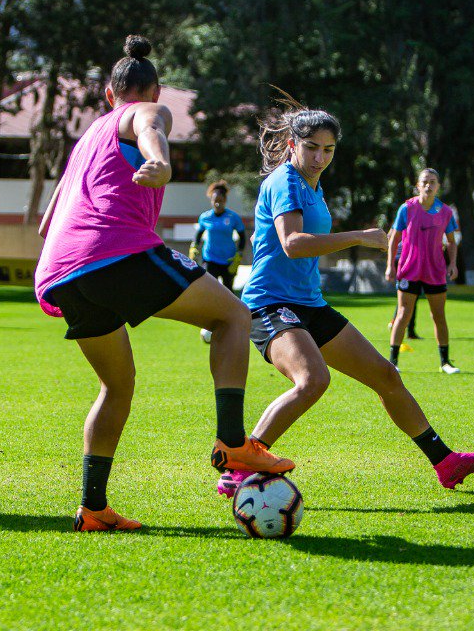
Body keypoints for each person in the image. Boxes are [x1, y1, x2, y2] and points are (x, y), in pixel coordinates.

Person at [34, 35, 294, 532]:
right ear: (154, 91)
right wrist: (160, 160)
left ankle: (93, 508)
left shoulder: (86, 139)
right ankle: (233, 442)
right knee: (233, 316)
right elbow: (150, 126)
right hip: (115, 251)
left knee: (116, 386)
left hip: (60, 272)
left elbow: (48, 223)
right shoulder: (146, 112)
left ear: (109, 94)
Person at [217, 100, 474, 497]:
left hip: (309, 303)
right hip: (269, 303)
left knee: (387, 376)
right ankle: (243, 459)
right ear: (292, 143)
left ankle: (446, 462)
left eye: (329, 150)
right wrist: (358, 236)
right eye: (312, 147)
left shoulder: (313, 185)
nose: (320, 157)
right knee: (313, 379)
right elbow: (293, 244)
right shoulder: (284, 181)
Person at [385, 169, 460, 374]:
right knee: (403, 314)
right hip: (409, 269)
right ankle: (393, 362)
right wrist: (390, 265)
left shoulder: (445, 212)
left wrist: (452, 264)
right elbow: (394, 239)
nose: (428, 185)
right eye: (425, 182)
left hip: (435, 271)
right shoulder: (406, 209)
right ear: (418, 186)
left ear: (438, 186)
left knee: (439, 316)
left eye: (432, 182)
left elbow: (452, 242)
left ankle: (445, 362)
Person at [190, 179, 247, 293]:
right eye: (215, 200)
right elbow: (199, 234)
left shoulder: (233, 217)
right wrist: (194, 247)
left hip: (228, 259)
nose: (217, 204)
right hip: (210, 258)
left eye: (220, 201)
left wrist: (239, 255)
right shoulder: (205, 217)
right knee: (210, 289)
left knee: (228, 290)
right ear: (211, 200)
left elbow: (242, 236)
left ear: (225, 200)